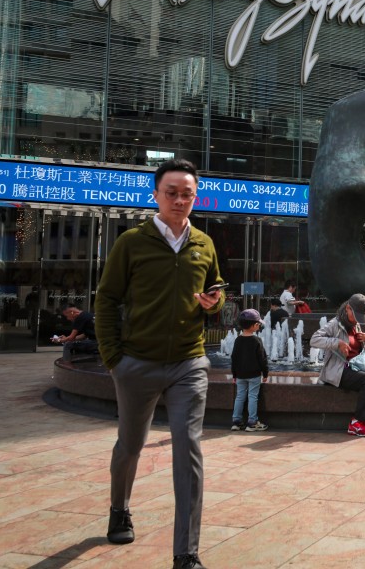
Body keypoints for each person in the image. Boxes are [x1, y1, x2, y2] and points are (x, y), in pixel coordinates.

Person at [95, 158, 226, 569]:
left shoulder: (204, 243)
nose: (180, 199)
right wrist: (114, 358)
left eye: (187, 193)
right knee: (131, 444)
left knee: (188, 449)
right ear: (155, 195)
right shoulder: (131, 242)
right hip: (137, 363)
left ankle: (186, 553)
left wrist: (214, 302)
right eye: (172, 192)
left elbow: (215, 294)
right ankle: (120, 508)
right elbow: (107, 300)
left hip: (188, 362)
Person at [309, 293, 365, 437]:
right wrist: (337, 343)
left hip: (355, 367)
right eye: (356, 316)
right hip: (338, 370)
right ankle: (356, 423)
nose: (357, 320)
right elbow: (314, 339)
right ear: (348, 308)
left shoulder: (356, 325)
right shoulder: (335, 324)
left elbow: (362, 350)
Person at [230, 309, 269, 432]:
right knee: (253, 396)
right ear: (254, 325)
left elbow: (234, 358)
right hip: (254, 375)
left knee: (239, 396)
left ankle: (236, 421)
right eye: (258, 324)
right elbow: (262, 358)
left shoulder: (238, 340)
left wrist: (234, 374)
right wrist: (265, 373)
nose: (259, 325)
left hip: (240, 375)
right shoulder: (256, 340)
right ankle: (252, 422)